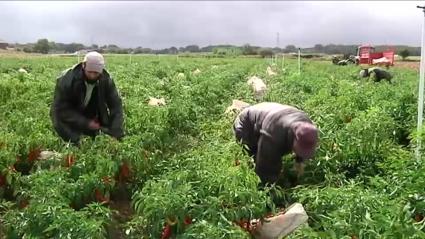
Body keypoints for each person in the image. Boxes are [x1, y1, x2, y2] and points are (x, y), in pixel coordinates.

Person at [233, 102, 318, 186]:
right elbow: (265, 163)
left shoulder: (308, 125)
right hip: (245, 126)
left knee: (276, 152)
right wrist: (276, 185)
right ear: (293, 137)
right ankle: (256, 184)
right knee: (258, 159)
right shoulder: (274, 132)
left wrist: (299, 162)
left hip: (270, 115)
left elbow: (304, 141)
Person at [50, 51, 124, 145]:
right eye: (90, 72)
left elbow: (116, 106)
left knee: (103, 134)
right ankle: (75, 140)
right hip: (67, 114)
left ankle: (90, 134)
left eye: (96, 73)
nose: (93, 75)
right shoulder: (66, 80)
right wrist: (86, 123)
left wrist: (116, 133)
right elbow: (61, 109)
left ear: (101, 70)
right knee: (73, 138)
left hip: (88, 112)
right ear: (83, 66)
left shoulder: (106, 79)